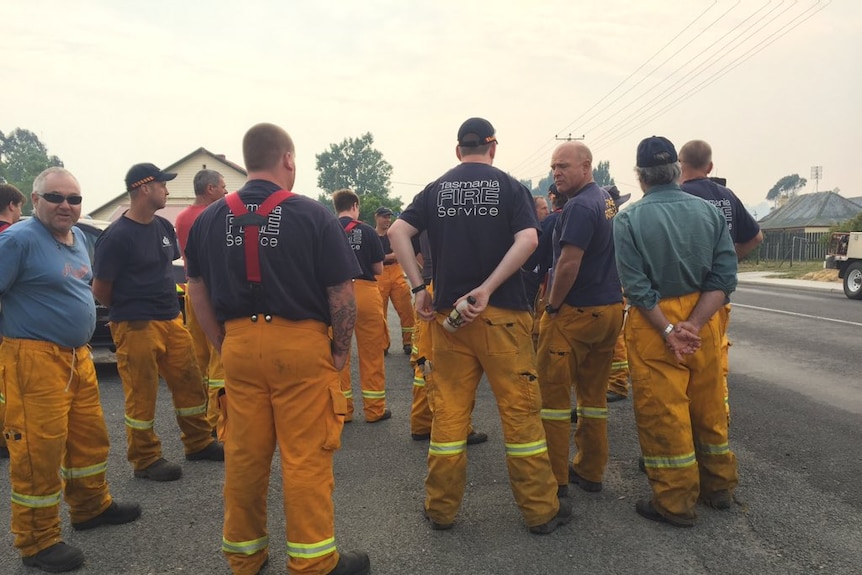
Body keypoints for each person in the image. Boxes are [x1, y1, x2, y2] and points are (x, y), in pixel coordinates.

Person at [184, 122, 370, 575]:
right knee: (305, 457)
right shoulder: (312, 214)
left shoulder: (209, 219)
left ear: (248, 161)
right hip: (300, 346)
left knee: (245, 456)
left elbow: (197, 290)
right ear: (287, 159)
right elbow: (341, 292)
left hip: (240, 346)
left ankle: (244, 558)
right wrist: (340, 353)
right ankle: (313, 563)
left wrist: (224, 343)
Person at [388, 117, 570, 534]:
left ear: (458, 150)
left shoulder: (436, 189)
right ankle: (541, 511)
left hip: (450, 320)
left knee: (450, 416)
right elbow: (528, 240)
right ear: (493, 148)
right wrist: (486, 289)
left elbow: (399, 231)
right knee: (521, 415)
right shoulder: (510, 187)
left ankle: (441, 509)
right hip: (503, 315)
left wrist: (419, 288)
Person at [0, 167, 141, 573]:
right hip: (32, 361)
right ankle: (37, 541)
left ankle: (90, 506)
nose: (66, 205)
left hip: (77, 357)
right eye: (56, 197)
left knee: (88, 438)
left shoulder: (78, 237)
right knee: (37, 453)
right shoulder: (17, 240)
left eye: (74, 199)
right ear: (34, 199)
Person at [613, 136, 738, 527]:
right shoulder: (709, 211)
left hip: (656, 326)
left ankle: (675, 500)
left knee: (664, 412)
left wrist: (669, 329)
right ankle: (718, 486)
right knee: (709, 405)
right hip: (704, 320)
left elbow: (635, 287)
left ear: (640, 175)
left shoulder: (628, 219)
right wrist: (695, 324)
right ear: (676, 171)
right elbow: (725, 277)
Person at [93, 163, 223, 483]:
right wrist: (130, 310)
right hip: (136, 325)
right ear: (145, 188)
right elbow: (101, 289)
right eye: (163, 185)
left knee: (190, 382)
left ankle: (198, 442)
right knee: (142, 394)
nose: (167, 190)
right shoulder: (116, 236)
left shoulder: (163, 229)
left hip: (170, 320)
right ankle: (145, 458)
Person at [537, 142, 624, 497]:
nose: (557, 173)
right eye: (554, 167)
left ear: (586, 167)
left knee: (554, 400)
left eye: (564, 167)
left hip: (576, 313)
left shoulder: (578, 208)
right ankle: (590, 469)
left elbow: (569, 263)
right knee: (592, 397)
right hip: (608, 309)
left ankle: (555, 478)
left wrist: (552, 305)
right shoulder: (604, 200)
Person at [679, 140, 763, 420]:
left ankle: (684, 432)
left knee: (680, 370)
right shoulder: (726, 196)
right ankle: (717, 421)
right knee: (714, 367)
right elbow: (755, 237)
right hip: (718, 301)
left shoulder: (677, 196)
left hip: (684, 296)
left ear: (680, 164)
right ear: (710, 166)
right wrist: (729, 260)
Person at [408, 230, 488, 446]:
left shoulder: (423, 217)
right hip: (452, 288)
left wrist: (419, 283)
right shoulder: (459, 215)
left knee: (425, 360)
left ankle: (422, 423)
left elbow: (407, 245)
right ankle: (460, 427)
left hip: (429, 287)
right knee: (458, 365)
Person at [175, 169, 229, 437]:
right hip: (212, 294)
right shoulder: (215, 217)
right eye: (222, 186)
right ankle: (215, 418)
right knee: (220, 356)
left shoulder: (183, 217)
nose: (226, 191)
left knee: (200, 357)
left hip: (190, 292)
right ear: (210, 189)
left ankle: (199, 414)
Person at [332, 188, 391, 423]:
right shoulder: (367, 231)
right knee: (371, 354)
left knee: (339, 354)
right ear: (355, 205)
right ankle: (374, 410)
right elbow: (378, 269)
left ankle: (343, 410)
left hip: (336, 294)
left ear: (336, 207)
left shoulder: (326, 229)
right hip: (365, 293)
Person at [0, 182, 26, 459]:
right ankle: (6, 439)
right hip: (8, 329)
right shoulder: (12, 237)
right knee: (7, 389)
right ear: (11, 206)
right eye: (19, 207)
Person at [374, 206, 415, 355]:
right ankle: (383, 344)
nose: (387, 220)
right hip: (380, 275)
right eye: (384, 217)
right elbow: (372, 257)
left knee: (406, 309)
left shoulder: (393, 235)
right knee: (380, 313)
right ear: (376, 217)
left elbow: (403, 251)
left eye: (389, 217)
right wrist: (389, 256)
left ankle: (408, 342)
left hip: (397, 272)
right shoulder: (371, 236)